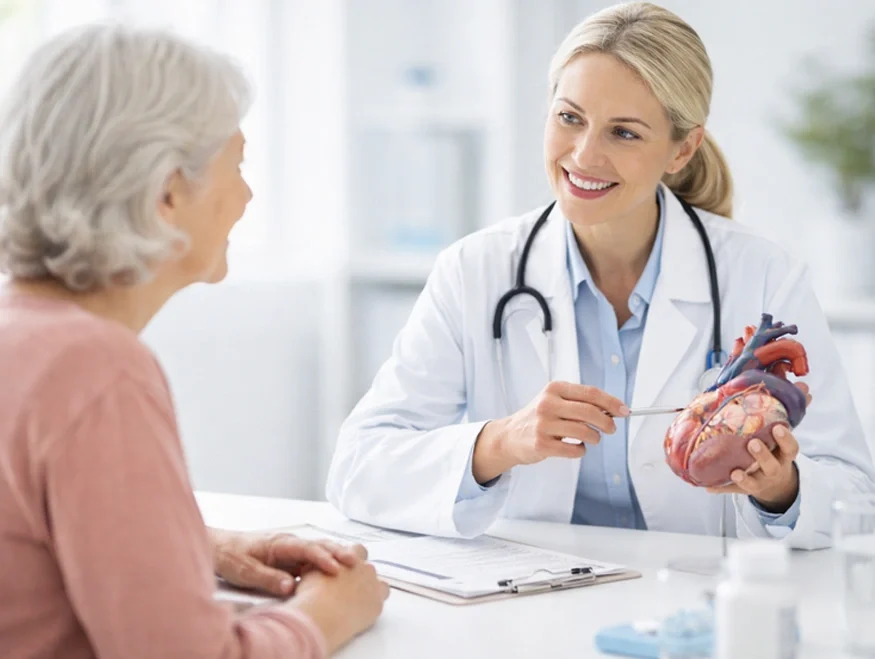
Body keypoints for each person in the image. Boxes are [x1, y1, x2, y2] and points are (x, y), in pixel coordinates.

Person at [326, 1, 875, 549]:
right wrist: (498, 443)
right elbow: (357, 468)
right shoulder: (475, 272)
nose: (584, 155)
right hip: (529, 603)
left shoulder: (763, 277)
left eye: (625, 133)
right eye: (570, 118)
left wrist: (782, 488)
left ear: (682, 148)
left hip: (693, 603)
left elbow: (856, 495)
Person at [0, 23, 387, 659]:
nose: (247, 194)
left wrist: (199, 546)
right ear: (168, 194)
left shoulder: (26, 339)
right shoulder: (95, 369)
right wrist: (326, 615)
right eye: (237, 163)